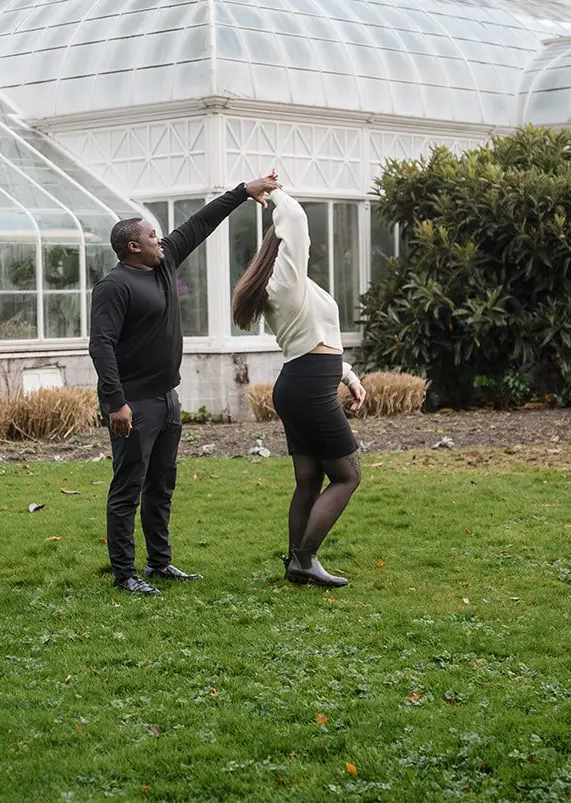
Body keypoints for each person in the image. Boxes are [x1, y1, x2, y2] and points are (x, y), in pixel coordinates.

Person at [89, 174, 281, 596]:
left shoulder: (165, 263)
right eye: (152, 236)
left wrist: (243, 191)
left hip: (166, 399)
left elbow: (200, 222)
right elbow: (100, 347)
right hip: (133, 405)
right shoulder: (113, 287)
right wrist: (116, 403)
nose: (162, 240)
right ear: (132, 247)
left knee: (161, 485)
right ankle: (125, 574)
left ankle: (159, 563)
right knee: (128, 488)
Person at [231, 186, 366, 588]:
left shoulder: (296, 286)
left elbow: (316, 341)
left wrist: (349, 376)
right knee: (348, 476)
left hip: (303, 382)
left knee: (309, 479)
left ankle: (296, 561)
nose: (307, 248)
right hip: (306, 388)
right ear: (285, 248)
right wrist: (277, 193)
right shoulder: (284, 284)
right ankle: (305, 559)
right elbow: (297, 224)